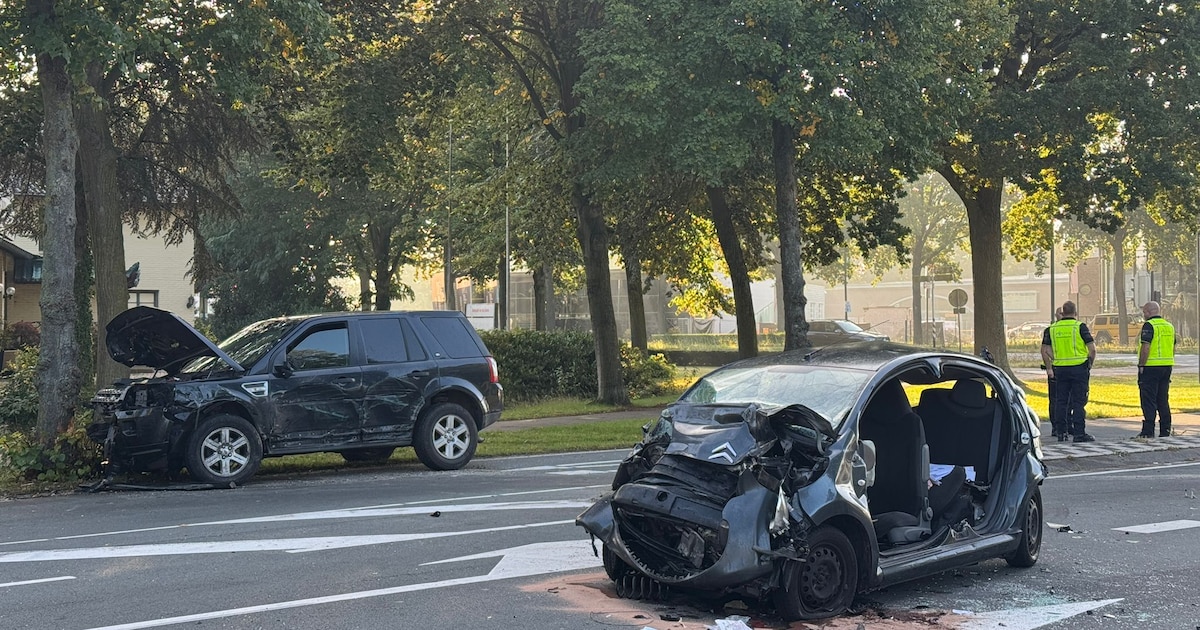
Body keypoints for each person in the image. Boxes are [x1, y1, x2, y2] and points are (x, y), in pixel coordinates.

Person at [1041, 301, 1097, 442]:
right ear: (1075, 312)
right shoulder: (1080, 327)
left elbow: (1045, 350)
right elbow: (1092, 349)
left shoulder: (1052, 329)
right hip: (1079, 368)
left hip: (1060, 369)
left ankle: (1061, 433)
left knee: (1061, 401)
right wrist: (1089, 364)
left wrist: (1055, 360)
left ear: (1062, 313)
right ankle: (1079, 433)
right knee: (1078, 402)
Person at [1136, 301, 1175, 438]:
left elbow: (1146, 347)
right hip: (1167, 366)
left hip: (1151, 367)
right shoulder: (1169, 326)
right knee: (1162, 398)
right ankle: (1165, 429)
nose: (1144, 315)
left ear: (1148, 312)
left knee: (1148, 399)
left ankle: (1148, 431)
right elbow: (1173, 346)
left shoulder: (1149, 325)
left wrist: (1141, 365)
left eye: (1144, 312)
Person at [1044, 308, 1066, 440]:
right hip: (1057, 368)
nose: (1062, 315)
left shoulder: (1075, 328)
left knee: (1069, 399)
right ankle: (1056, 427)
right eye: (1060, 313)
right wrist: (1049, 368)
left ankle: (1066, 426)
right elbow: (1045, 350)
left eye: (1063, 313)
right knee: (1056, 399)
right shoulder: (1051, 330)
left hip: (1069, 368)